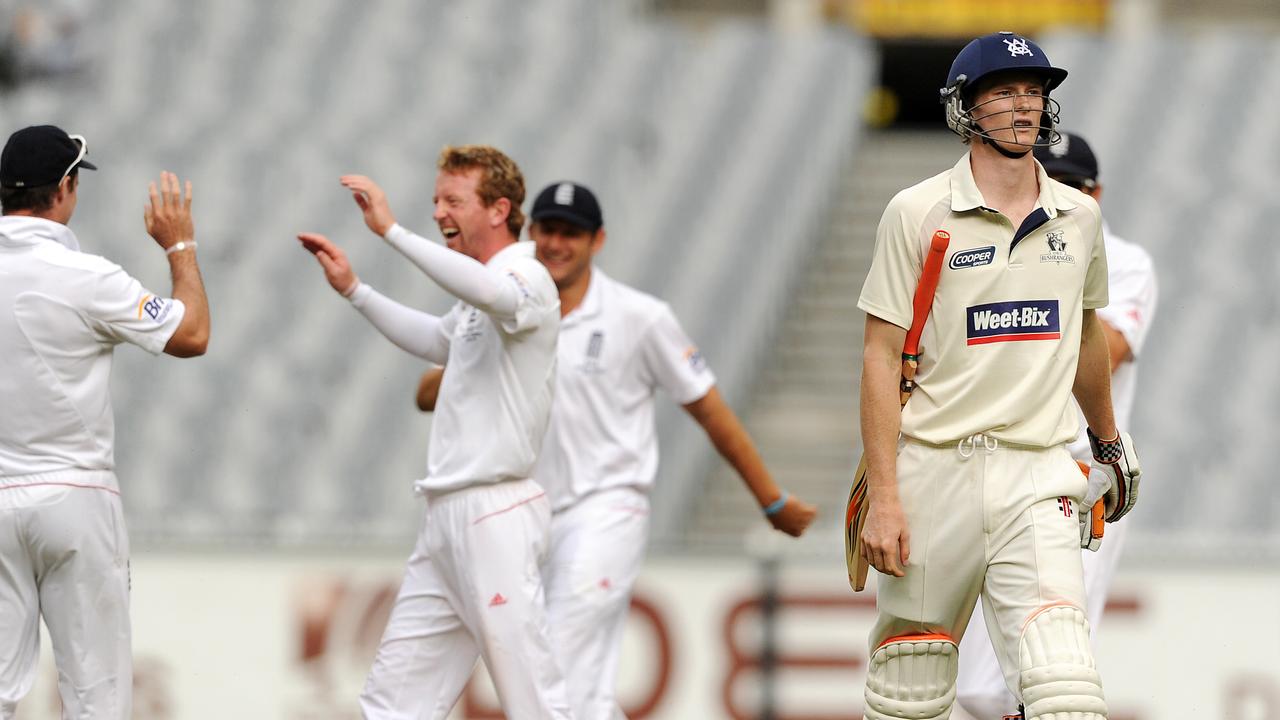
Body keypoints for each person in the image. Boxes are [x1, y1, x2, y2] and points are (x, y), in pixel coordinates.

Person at [416, 181, 818, 718]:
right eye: (548, 230)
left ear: (597, 240)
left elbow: (708, 408)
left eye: (571, 234)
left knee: (556, 663)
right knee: (569, 688)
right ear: (530, 234)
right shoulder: (509, 310)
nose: (557, 244)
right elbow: (427, 394)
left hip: (607, 510)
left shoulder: (639, 317)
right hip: (527, 515)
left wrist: (769, 499)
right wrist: (475, 358)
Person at [855, 32, 1140, 720]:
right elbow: (879, 356)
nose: (1024, 107)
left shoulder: (1080, 215)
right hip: (934, 472)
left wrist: (1107, 442)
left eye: (1035, 93)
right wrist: (886, 498)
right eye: (1005, 92)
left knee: (1064, 686)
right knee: (909, 686)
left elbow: (1085, 336)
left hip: (1036, 472)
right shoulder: (916, 213)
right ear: (965, 109)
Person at [297, 145, 572, 719]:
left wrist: (391, 232)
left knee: (536, 700)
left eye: (453, 200)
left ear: (499, 210)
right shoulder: (481, 291)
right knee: (394, 704)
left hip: (494, 514)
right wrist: (356, 290)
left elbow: (492, 295)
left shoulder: (526, 275)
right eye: (435, 201)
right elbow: (435, 341)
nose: (439, 212)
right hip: (446, 517)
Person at [0, 125, 209, 719]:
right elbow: (191, 335)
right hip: (75, 498)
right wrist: (180, 248)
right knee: (96, 696)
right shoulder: (86, 276)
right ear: (64, 188)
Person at [954, 132, 1158, 720]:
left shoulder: (1124, 261)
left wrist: (1004, 335)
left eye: (1076, 185)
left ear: (1098, 193)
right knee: (973, 683)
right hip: (997, 467)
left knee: (1053, 673)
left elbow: (1107, 352)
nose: (1064, 195)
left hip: (1080, 476)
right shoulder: (1000, 247)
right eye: (1054, 181)